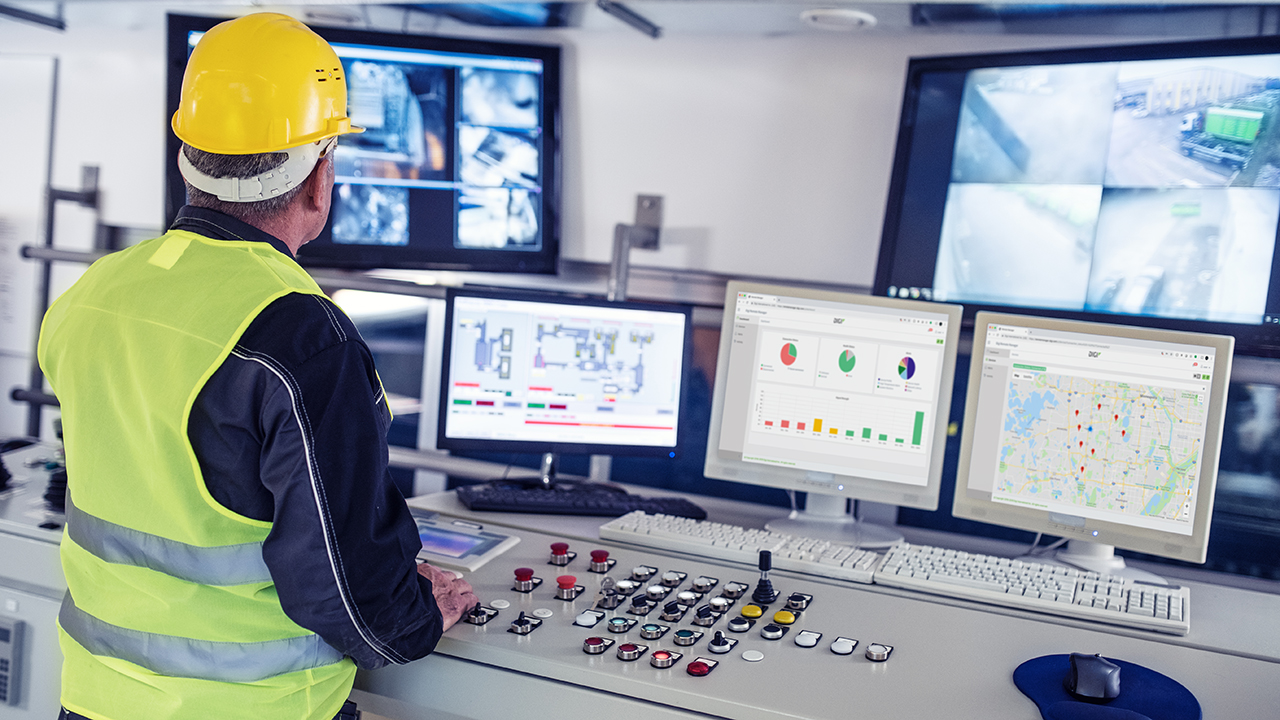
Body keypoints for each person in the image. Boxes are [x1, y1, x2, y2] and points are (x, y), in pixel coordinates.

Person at [37, 13, 477, 720]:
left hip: (93, 700)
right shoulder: (302, 338)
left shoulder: (93, 293)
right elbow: (351, 600)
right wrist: (417, 613)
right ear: (319, 177)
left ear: (190, 156)